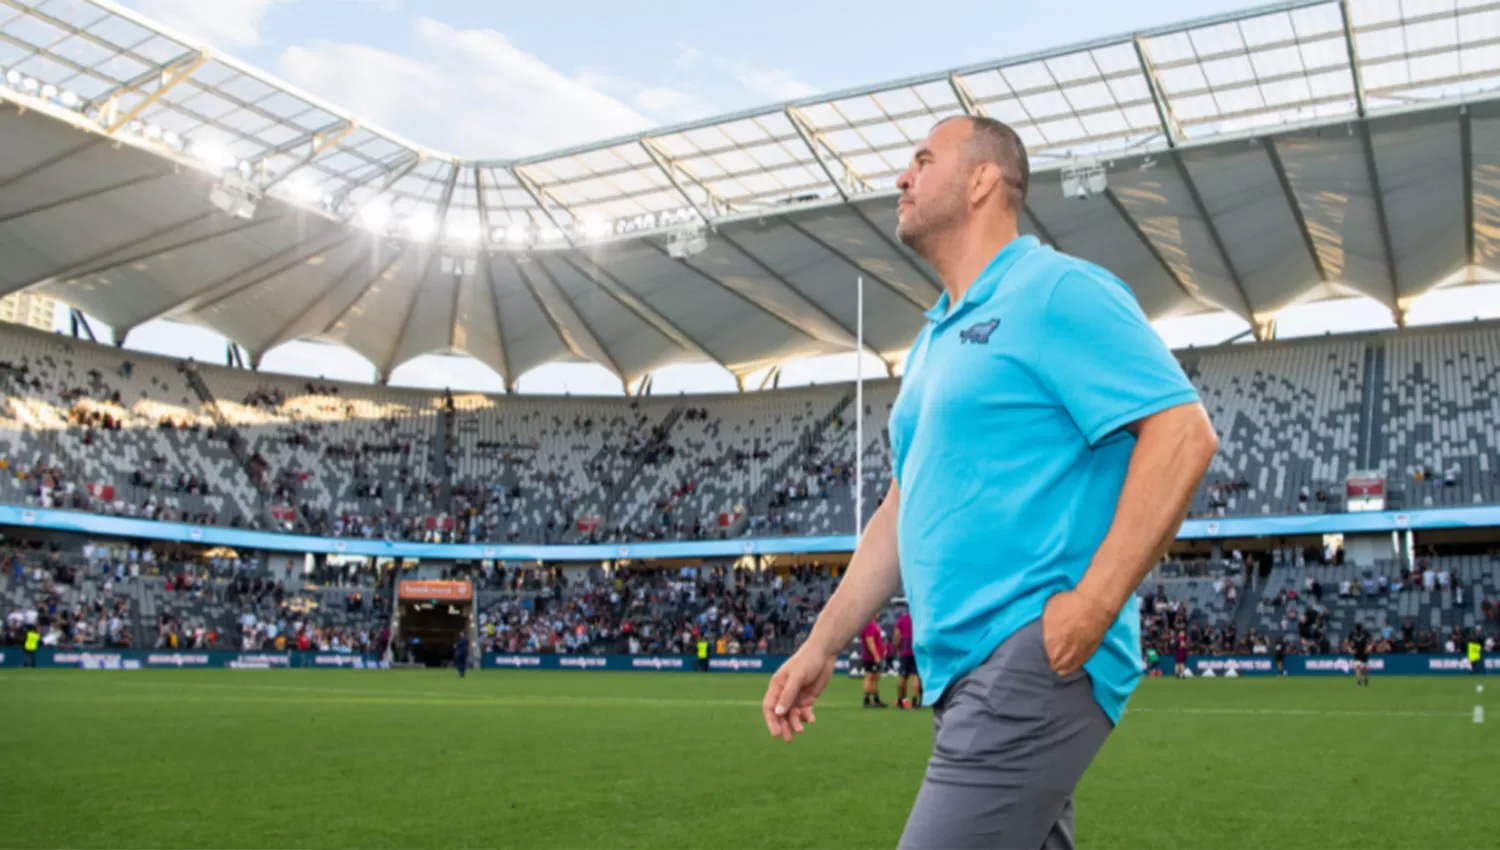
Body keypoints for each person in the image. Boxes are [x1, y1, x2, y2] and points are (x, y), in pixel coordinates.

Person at [760, 115, 1217, 849]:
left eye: (921, 160)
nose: (902, 179)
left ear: (981, 181)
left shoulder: (1054, 290)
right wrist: (821, 643)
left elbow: (1183, 433)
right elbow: (902, 510)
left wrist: (1091, 608)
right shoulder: (935, 336)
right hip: (966, 670)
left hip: (1029, 658)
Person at [894, 607, 921, 708]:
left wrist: (897, 648)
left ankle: (900, 701)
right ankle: (915, 701)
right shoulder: (919, 619)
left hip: (905, 652)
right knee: (916, 677)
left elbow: (897, 635)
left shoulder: (902, 619)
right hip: (917, 652)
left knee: (903, 677)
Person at [860, 617, 887, 708]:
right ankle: (867, 700)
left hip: (873, 656)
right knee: (869, 677)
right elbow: (870, 641)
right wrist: (876, 655)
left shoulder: (873, 624)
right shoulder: (870, 625)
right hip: (870, 657)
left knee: (875, 677)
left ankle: (876, 699)